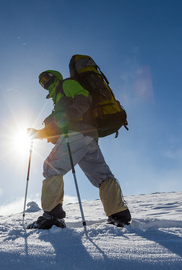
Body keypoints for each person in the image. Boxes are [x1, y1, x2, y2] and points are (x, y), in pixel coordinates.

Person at [26, 70, 131, 229]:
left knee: (51, 167)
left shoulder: (66, 85)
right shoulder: (59, 99)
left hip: (75, 134)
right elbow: (58, 124)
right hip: (88, 137)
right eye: (42, 82)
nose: (45, 83)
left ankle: (52, 216)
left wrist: (71, 115)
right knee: (102, 176)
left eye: (47, 78)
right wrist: (39, 133)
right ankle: (119, 214)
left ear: (55, 77)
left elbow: (84, 97)